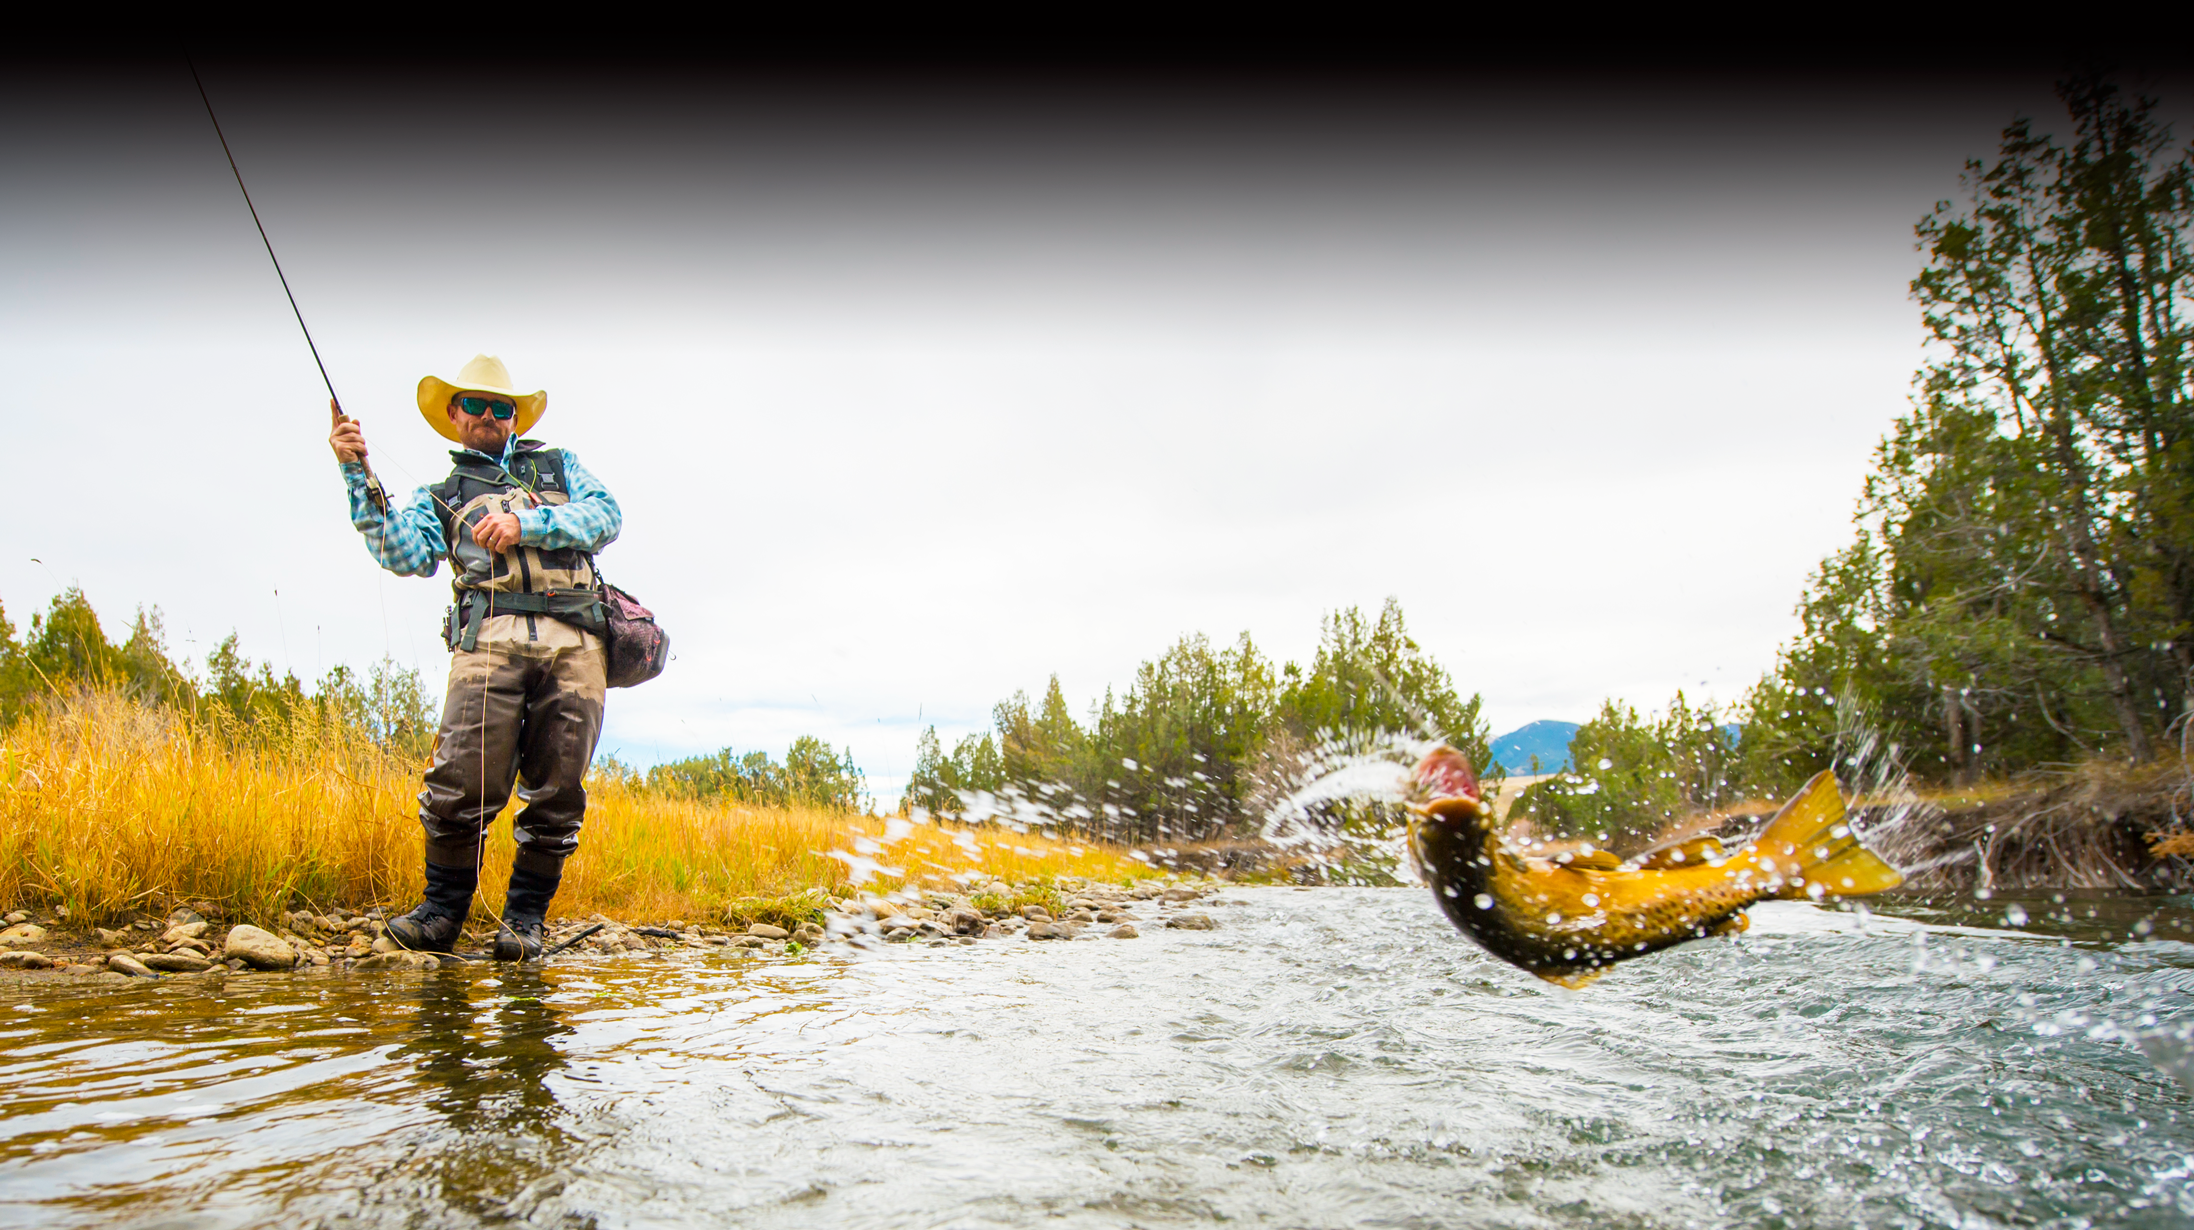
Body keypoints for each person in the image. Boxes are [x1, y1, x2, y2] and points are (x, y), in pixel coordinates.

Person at [329, 354, 622, 959]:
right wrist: (356, 473)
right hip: (486, 640)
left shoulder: (558, 464)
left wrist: (527, 523)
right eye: (475, 405)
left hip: (577, 646)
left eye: (501, 407)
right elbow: (403, 553)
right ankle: (442, 913)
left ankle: (524, 921)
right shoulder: (439, 494)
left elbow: (607, 515)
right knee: (459, 781)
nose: (488, 415)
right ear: (455, 414)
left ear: (514, 417)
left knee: (559, 791)